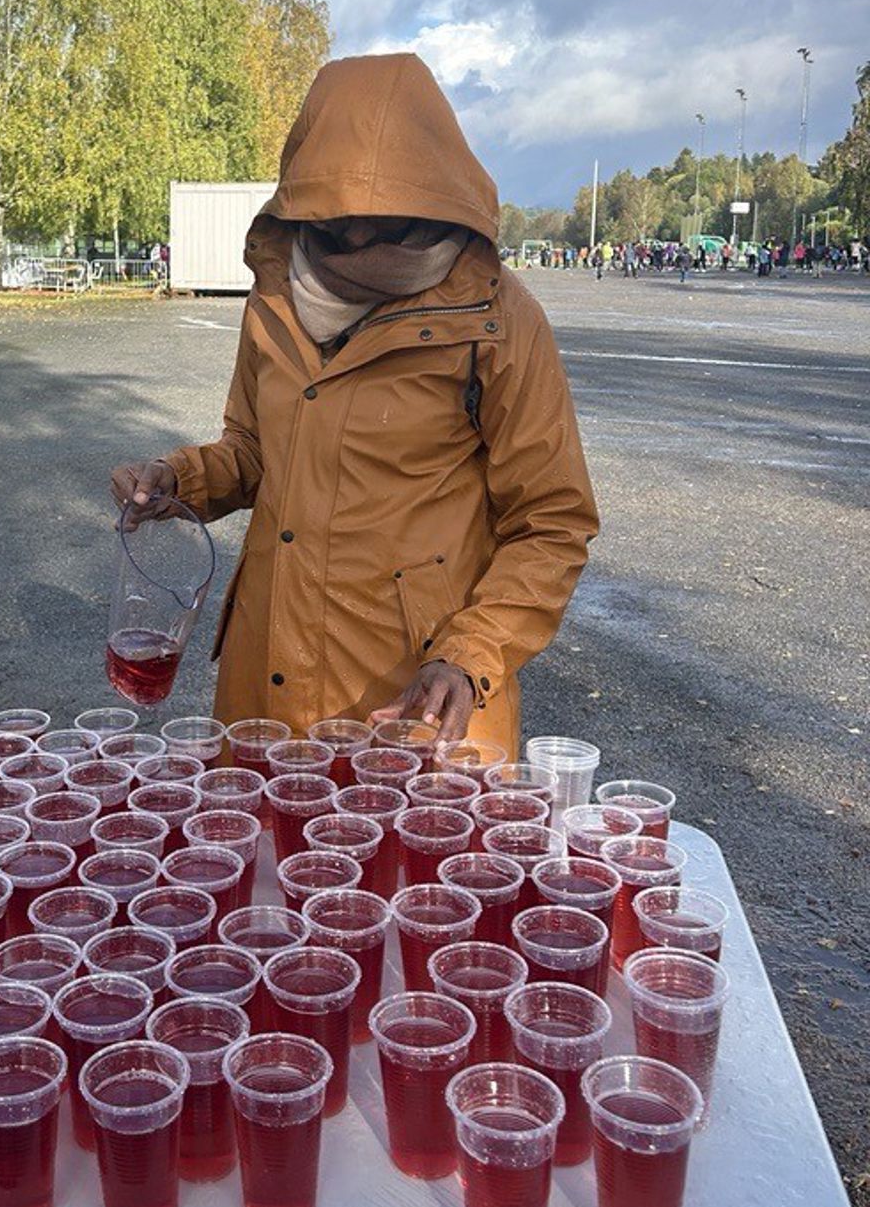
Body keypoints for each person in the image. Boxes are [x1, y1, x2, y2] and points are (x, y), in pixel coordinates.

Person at [110, 53, 599, 755]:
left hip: (414, 710)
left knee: (405, 865)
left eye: (389, 220)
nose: (363, 241)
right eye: (340, 222)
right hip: (265, 694)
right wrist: (177, 480)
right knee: (260, 858)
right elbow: (253, 451)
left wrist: (470, 651)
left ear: (432, 192)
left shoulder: (498, 320)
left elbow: (552, 520)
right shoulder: (275, 297)